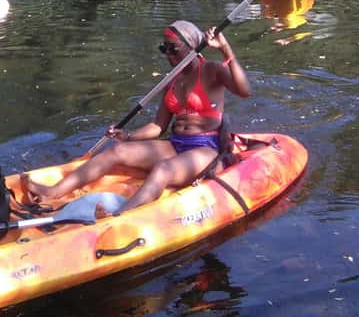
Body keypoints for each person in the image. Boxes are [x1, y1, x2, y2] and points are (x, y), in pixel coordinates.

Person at [21, 20, 250, 214]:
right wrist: (128, 136)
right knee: (116, 151)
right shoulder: (171, 80)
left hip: (206, 148)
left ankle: (122, 215)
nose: (168, 54)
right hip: (177, 144)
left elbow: (244, 90)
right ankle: (52, 191)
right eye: (164, 48)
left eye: (173, 48)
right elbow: (159, 125)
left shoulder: (211, 70)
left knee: (162, 169)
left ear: (191, 46)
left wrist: (225, 49)